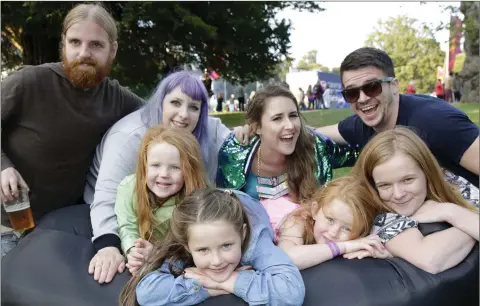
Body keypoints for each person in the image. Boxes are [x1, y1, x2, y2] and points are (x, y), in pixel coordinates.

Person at [86, 70, 248, 284]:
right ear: (160, 102)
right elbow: (106, 198)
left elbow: (237, 147)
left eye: (194, 107)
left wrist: (245, 136)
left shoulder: (209, 128)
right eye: (175, 103)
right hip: (117, 209)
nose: (184, 114)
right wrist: (108, 245)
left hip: (172, 213)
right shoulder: (128, 138)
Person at [0, 3, 142, 244]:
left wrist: (224, 133)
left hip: (62, 230)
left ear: (113, 50)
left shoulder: (116, 98)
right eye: (75, 42)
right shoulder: (29, 82)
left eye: (96, 44)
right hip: (7, 226)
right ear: (63, 44)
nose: (84, 53)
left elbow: (165, 112)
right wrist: (3, 167)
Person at [316, 47, 479, 187]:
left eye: (372, 87)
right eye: (352, 93)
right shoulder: (361, 124)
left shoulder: (436, 122)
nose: (363, 99)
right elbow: (312, 134)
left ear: (393, 86)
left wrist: (456, 215)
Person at [119, 188, 305, 306]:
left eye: (226, 246)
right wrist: (203, 285)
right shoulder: (189, 237)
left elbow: (291, 292)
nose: (216, 261)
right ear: (187, 246)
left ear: (241, 234)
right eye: (202, 250)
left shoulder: (255, 239)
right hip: (208, 207)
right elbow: (146, 293)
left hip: (245, 204)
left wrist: (227, 281)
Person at [216, 85, 359, 222]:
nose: (290, 126)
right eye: (277, 118)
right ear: (257, 127)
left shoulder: (315, 147)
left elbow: (360, 150)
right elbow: (225, 210)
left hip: (304, 238)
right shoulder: (234, 153)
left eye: (293, 115)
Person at [350, 127, 478, 274]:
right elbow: (431, 260)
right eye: (384, 185)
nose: (398, 194)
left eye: (408, 179)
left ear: (427, 173)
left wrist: (450, 211)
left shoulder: (453, 184)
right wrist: (456, 215)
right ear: (372, 185)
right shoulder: (379, 216)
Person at [115, 125, 209, 276]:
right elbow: (127, 226)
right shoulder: (129, 187)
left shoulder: (196, 199)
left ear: (189, 171)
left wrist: (157, 254)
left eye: (175, 167)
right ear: (144, 166)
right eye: (155, 165)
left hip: (176, 260)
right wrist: (134, 253)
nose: (164, 174)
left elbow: (199, 245)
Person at [277, 176, 386, 270]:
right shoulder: (297, 222)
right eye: (330, 220)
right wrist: (344, 247)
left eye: (347, 228)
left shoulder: (361, 236)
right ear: (315, 210)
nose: (334, 233)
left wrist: (385, 253)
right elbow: (285, 259)